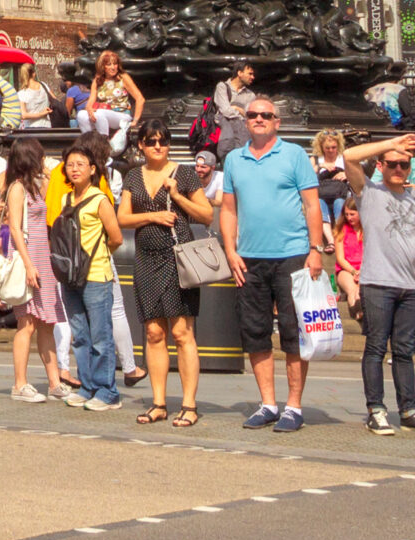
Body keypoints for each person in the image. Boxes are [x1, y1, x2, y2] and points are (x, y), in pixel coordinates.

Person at [219, 94, 324, 432]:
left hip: (292, 254)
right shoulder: (234, 159)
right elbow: (229, 209)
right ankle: (267, 403)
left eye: (265, 115)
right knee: (255, 331)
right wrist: (230, 251)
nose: (259, 119)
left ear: (277, 121)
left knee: (294, 334)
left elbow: (311, 205)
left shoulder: (293, 154)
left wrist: (316, 249)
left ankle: (294, 406)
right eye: (252, 115)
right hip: (249, 258)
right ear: (245, 121)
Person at [120, 122, 215, 427]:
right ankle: (158, 403)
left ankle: (189, 404)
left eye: (163, 141)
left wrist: (178, 195)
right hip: (146, 258)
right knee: (153, 332)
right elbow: (122, 217)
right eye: (151, 142)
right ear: (141, 146)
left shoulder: (184, 173)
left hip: (177, 258)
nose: (158, 146)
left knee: (181, 333)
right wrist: (153, 216)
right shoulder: (133, 175)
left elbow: (206, 214)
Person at [352, 133, 415, 435]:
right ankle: (376, 410)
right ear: (381, 165)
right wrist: (391, 144)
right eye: (392, 164)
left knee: (405, 350)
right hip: (377, 283)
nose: (398, 169)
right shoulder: (369, 192)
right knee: (377, 347)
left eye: (404, 165)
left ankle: (409, 409)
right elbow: (349, 156)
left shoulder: (414, 197)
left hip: (409, 286)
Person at [57, 134, 126, 411]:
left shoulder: (100, 199)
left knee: (100, 336)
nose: (74, 169)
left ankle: (107, 391)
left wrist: (98, 256)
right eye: (70, 165)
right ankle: (87, 387)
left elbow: (116, 237)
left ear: (92, 169)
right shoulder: (64, 199)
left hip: (96, 275)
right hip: (70, 277)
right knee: (81, 335)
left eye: (80, 164)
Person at [2, 134, 70, 403]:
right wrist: (29, 264)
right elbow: (15, 228)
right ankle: (20, 384)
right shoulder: (17, 188)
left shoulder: (34, 186)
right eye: (40, 155)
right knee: (27, 323)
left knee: (46, 323)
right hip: (29, 258)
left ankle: (54, 382)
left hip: (43, 258)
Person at [86, 51, 145, 151]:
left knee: (99, 113)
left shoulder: (122, 78)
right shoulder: (98, 80)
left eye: (115, 64)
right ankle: (88, 147)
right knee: (81, 115)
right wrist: (89, 109)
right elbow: (90, 101)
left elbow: (140, 99)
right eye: (109, 64)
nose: (113, 67)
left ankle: (104, 148)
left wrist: (135, 121)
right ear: (103, 66)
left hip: (121, 115)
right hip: (104, 115)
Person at [312, 129, 352, 241]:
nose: (330, 150)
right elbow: (307, 175)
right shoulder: (315, 159)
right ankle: (331, 241)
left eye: (333, 147)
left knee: (339, 204)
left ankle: (341, 238)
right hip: (321, 194)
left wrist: (346, 174)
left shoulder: (344, 159)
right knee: (319, 205)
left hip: (340, 193)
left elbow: (357, 175)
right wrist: (320, 166)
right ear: (321, 147)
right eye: (327, 148)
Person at [210, 64, 255, 158]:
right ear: (240, 73)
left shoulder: (250, 95)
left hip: (242, 138)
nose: (252, 77)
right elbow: (226, 110)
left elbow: (249, 116)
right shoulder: (222, 87)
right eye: (250, 74)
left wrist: (235, 108)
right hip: (224, 135)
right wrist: (240, 111)